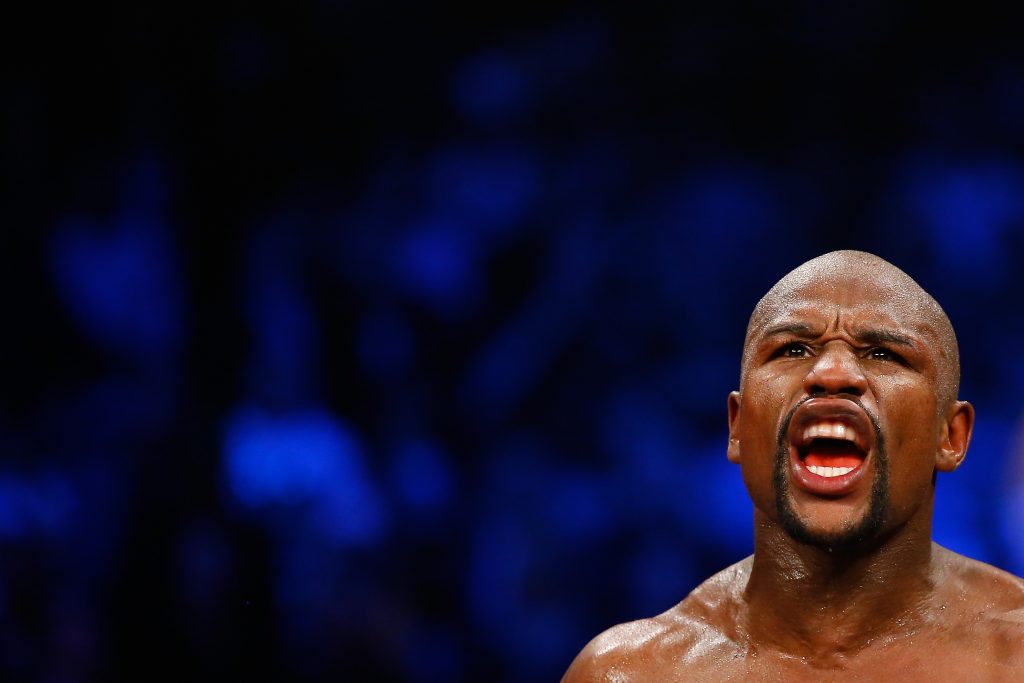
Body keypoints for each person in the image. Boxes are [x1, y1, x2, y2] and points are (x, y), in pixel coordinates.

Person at [562, 250, 1024, 681]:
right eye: (792, 349)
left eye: (883, 353)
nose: (832, 374)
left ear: (952, 436)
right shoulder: (635, 673)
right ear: (738, 427)